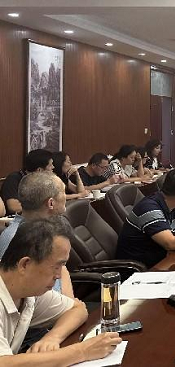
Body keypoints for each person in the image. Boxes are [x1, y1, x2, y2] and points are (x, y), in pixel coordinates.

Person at [0, 218, 121, 363]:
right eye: (57, 266)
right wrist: (83, 351)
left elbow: (78, 309)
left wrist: (52, 338)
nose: (59, 276)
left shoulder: (28, 292)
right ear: (25, 264)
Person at [0, 172, 73, 298]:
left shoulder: (51, 230)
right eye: (63, 192)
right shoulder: (17, 239)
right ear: (51, 203)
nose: (66, 197)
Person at [0, 149, 54, 214]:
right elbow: (14, 207)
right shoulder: (14, 179)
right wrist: (42, 207)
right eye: (50, 165)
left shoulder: (44, 181)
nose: (53, 167)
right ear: (39, 170)